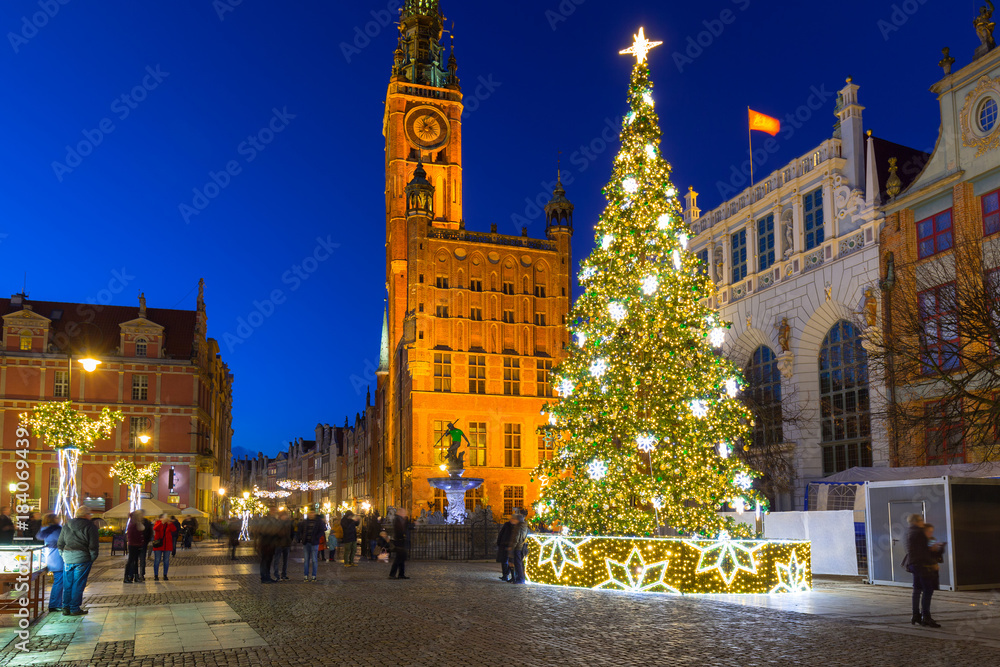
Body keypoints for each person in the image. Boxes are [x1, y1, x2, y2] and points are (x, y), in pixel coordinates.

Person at [57, 505, 99, 616]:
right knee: (78, 584)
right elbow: (93, 545)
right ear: (86, 515)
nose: (90, 516)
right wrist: (92, 557)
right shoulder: (90, 526)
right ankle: (74, 608)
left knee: (68, 584)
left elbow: (60, 543)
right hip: (82, 557)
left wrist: (63, 555)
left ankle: (65, 607)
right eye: (89, 514)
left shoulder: (67, 525)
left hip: (68, 558)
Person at [905, 513, 944, 628]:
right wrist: (933, 562)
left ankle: (915, 614)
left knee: (917, 589)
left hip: (913, 563)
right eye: (921, 520)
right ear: (917, 521)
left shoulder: (908, 532)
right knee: (928, 589)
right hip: (923, 565)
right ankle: (926, 616)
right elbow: (924, 552)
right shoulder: (920, 533)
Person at [37, 514, 64, 613]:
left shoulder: (45, 529)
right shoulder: (56, 530)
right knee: (59, 581)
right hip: (57, 557)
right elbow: (62, 540)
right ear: (52, 520)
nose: (59, 519)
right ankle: (55, 604)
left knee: (59, 580)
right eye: (56, 518)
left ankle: (56, 603)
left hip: (51, 556)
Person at [299, 510, 324, 580]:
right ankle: (306, 575)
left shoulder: (318, 521)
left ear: (314, 513)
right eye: (310, 513)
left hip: (314, 543)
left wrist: (316, 537)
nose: (311, 514)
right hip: (306, 542)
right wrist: (302, 538)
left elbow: (322, 531)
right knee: (306, 560)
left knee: (314, 560)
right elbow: (301, 530)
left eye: (312, 513)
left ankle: (314, 575)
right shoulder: (305, 522)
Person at [152, 513, 178, 581]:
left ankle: (165, 575)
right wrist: (162, 522)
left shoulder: (168, 524)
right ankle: (156, 575)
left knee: (166, 560)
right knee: (157, 560)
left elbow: (174, 529)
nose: (166, 518)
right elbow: (155, 528)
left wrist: (170, 523)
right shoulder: (158, 523)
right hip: (159, 545)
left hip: (167, 545)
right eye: (164, 517)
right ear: (161, 518)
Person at [256, 509, 279, 583]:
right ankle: (264, 577)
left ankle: (268, 576)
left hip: (272, 544)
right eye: (273, 511)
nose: (274, 512)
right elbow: (262, 531)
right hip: (265, 543)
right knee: (264, 561)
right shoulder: (264, 520)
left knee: (269, 561)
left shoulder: (274, 520)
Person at [507, 512, 529, 585]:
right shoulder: (524, 526)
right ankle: (518, 578)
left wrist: (511, 547)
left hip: (517, 547)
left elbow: (516, 538)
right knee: (518, 563)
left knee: (517, 563)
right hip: (520, 546)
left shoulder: (518, 527)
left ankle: (520, 578)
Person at [123, 511, 145, 583]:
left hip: (136, 544)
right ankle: (127, 577)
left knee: (135, 561)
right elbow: (133, 536)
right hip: (133, 545)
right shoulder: (133, 525)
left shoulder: (135, 524)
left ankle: (136, 576)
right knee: (131, 561)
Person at [389, 507, 409, 580]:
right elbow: (399, 530)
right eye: (403, 512)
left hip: (402, 541)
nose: (405, 514)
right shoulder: (397, 520)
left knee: (402, 559)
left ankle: (401, 574)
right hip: (399, 541)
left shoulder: (403, 520)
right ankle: (392, 574)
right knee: (398, 559)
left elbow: (407, 526)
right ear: (399, 513)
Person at [273, 510, 292, 581]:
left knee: (285, 560)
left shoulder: (288, 523)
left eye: (286, 515)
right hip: (279, 544)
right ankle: (276, 575)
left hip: (286, 543)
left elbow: (291, 532)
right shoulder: (277, 523)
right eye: (284, 515)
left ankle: (284, 574)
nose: (285, 517)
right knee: (277, 560)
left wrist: (290, 540)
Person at [496, 515, 515, 582]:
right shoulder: (507, 525)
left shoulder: (515, 526)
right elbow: (501, 534)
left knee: (509, 561)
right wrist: (499, 542)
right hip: (504, 544)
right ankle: (505, 575)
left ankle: (506, 574)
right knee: (504, 561)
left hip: (509, 545)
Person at [139, 515, 153, 581]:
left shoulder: (145, 522)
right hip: (142, 543)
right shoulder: (147, 522)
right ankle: (141, 574)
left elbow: (150, 533)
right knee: (142, 559)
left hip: (140, 543)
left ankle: (139, 574)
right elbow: (150, 533)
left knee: (140, 559)